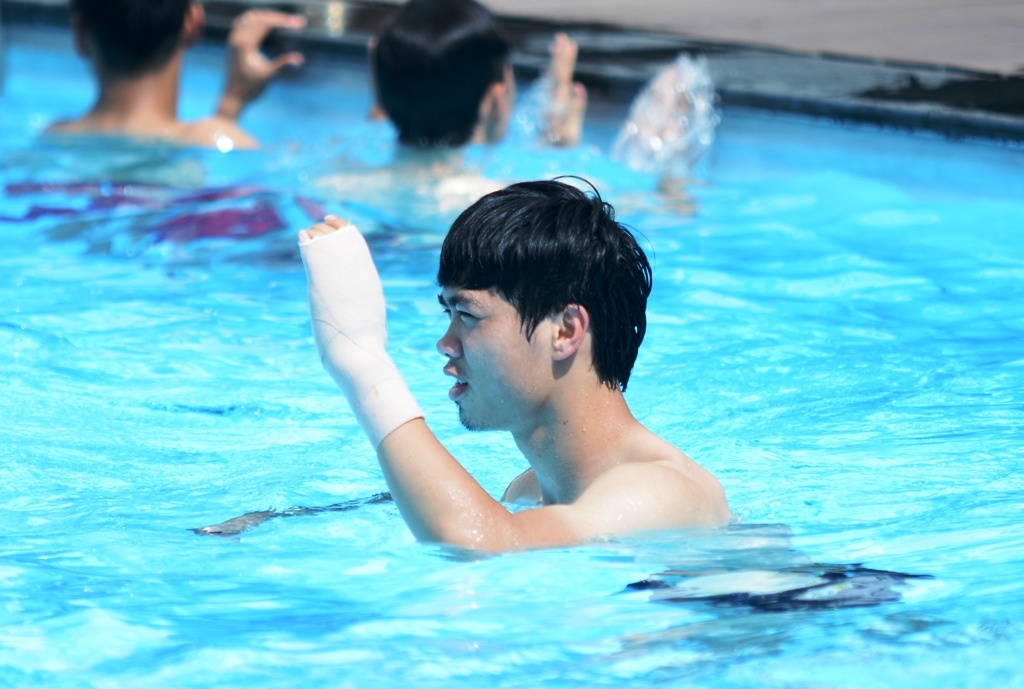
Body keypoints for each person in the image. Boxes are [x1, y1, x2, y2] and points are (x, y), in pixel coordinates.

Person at [295, 179, 729, 551]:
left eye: (468, 315)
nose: (445, 344)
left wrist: (364, 365)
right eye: (448, 314)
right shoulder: (528, 492)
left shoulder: (660, 490)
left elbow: (484, 542)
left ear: (565, 331)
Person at [46, 0, 306, 149]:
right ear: (193, 22)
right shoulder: (220, 142)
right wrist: (231, 105)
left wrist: (229, 108)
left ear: (79, 34)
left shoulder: (54, 138)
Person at [369, 0, 587, 148]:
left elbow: (380, 120)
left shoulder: (357, 172)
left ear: (381, 97)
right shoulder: (496, 193)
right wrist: (562, 138)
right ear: (495, 101)